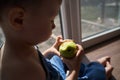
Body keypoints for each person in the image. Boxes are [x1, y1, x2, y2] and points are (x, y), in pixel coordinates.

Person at [0, 0, 113, 80]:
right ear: (19, 20)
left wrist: (49, 51)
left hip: (51, 72)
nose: (54, 26)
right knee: (94, 75)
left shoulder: (15, 46)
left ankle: (89, 68)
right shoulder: (25, 71)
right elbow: (34, 67)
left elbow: (36, 60)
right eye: (51, 20)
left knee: (55, 58)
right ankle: (102, 71)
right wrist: (75, 69)